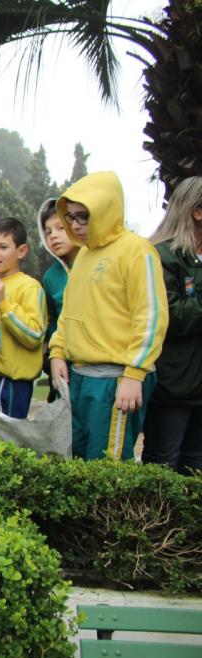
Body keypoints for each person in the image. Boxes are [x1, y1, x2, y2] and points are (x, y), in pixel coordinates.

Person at [49, 171, 169, 461]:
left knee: (109, 465)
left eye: (83, 217)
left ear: (105, 210)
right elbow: (69, 313)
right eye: (71, 217)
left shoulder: (137, 251)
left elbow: (151, 317)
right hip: (80, 377)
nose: (75, 226)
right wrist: (57, 352)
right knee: (79, 459)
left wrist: (134, 373)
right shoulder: (83, 257)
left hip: (116, 379)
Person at [143, 176, 202, 474]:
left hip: (199, 386)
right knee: (162, 466)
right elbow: (172, 316)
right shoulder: (162, 255)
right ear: (197, 211)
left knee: (195, 469)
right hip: (172, 385)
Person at [0, 217, 47, 418]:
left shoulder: (29, 286)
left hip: (12, 382)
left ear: (21, 251)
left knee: (5, 442)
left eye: (3, 247)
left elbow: (35, 334)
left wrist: (3, 302)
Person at [38, 199, 79, 402]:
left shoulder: (95, 264)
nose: (53, 235)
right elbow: (52, 320)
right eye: (48, 231)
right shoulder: (50, 277)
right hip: (62, 366)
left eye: (60, 228)